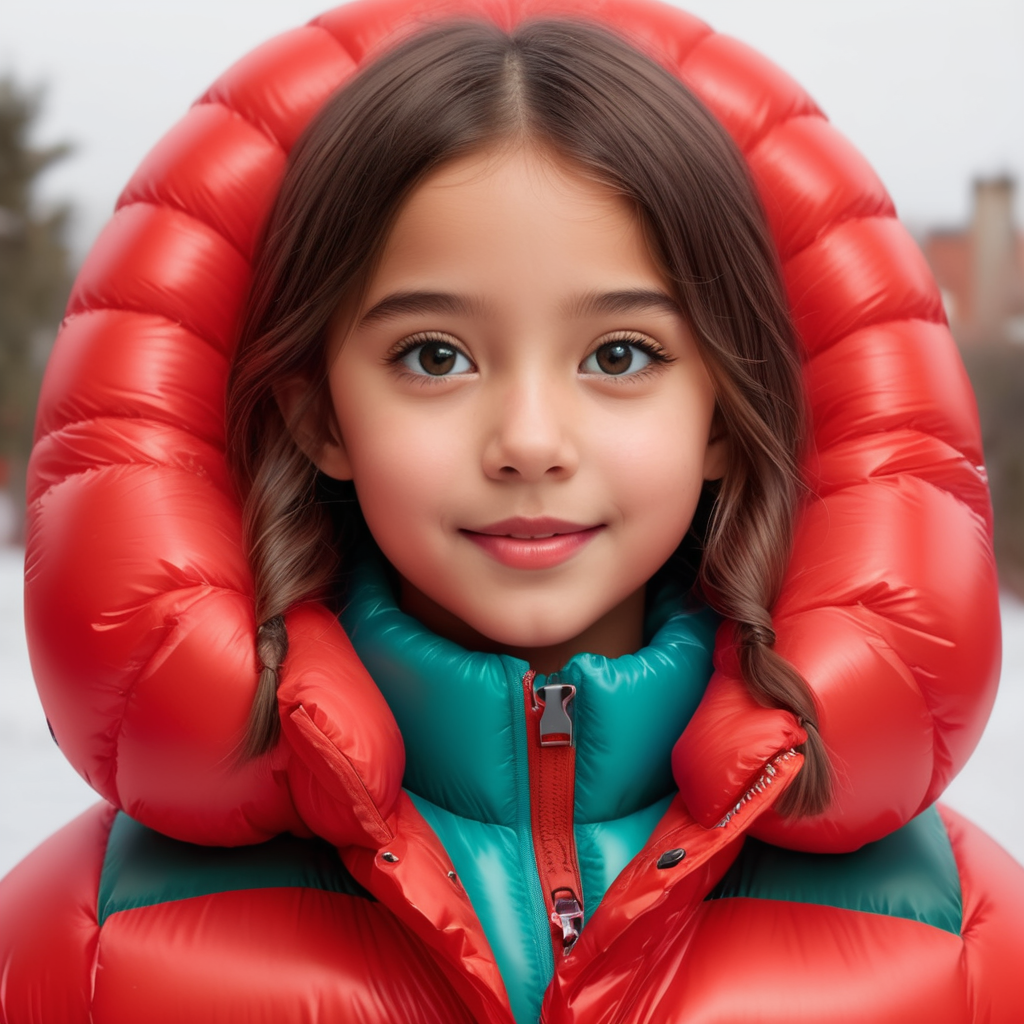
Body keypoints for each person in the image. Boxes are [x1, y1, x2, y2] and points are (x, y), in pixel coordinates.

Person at [2, 3, 1023, 1022]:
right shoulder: (83, 943)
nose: (530, 440)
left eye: (620, 354)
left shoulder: (966, 947)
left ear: (727, 409)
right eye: (433, 356)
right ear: (318, 415)